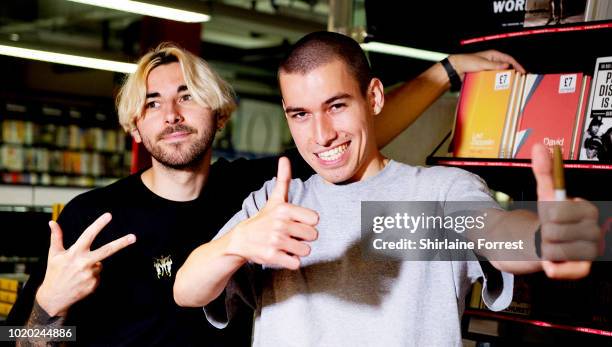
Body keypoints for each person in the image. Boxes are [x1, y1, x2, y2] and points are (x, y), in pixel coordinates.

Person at [8, 40, 526, 345]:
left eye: (187, 97)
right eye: (151, 104)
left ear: (218, 111)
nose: (170, 115)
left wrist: (448, 71)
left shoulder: (259, 192)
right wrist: (49, 309)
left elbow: (345, 133)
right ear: (134, 127)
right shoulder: (91, 215)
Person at [173, 32, 602, 346]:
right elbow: (186, 289)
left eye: (336, 106)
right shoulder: (275, 203)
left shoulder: (439, 192)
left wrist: (545, 238)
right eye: (300, 114)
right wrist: (237, 244)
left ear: (374, 98)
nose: (321, 134)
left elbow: (496, 233)